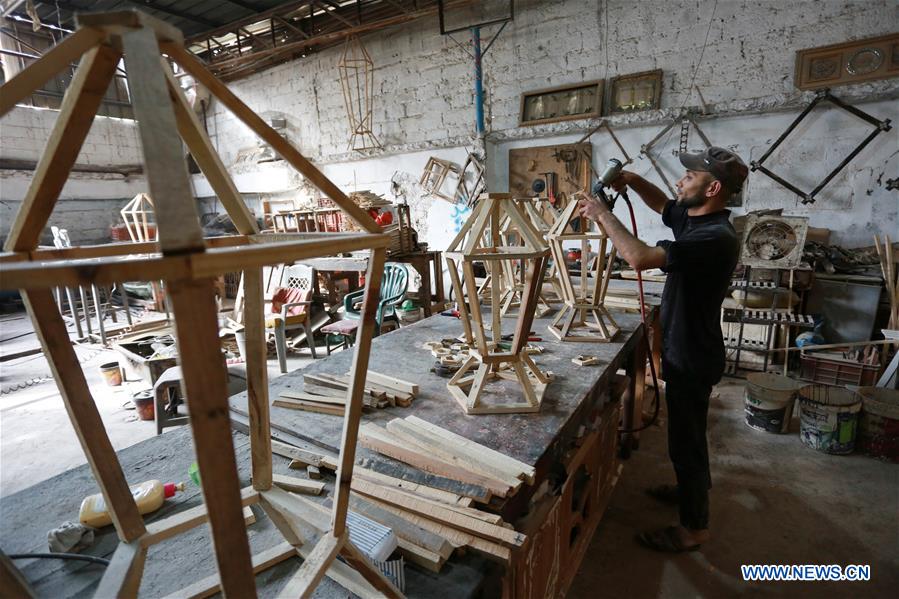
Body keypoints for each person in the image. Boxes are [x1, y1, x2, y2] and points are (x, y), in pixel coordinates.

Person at [576, 146, 748, 553]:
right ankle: (691, 488)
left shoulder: (713, 238)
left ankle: (693, 529)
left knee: (685, 442)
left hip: (692, 353)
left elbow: (637, 258)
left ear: (713, 188)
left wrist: (602, 214)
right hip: (687, 346)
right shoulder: (698, 219)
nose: (679, 181)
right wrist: (633, 181)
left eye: (689, 177)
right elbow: (664, 206)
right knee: (688, 436)